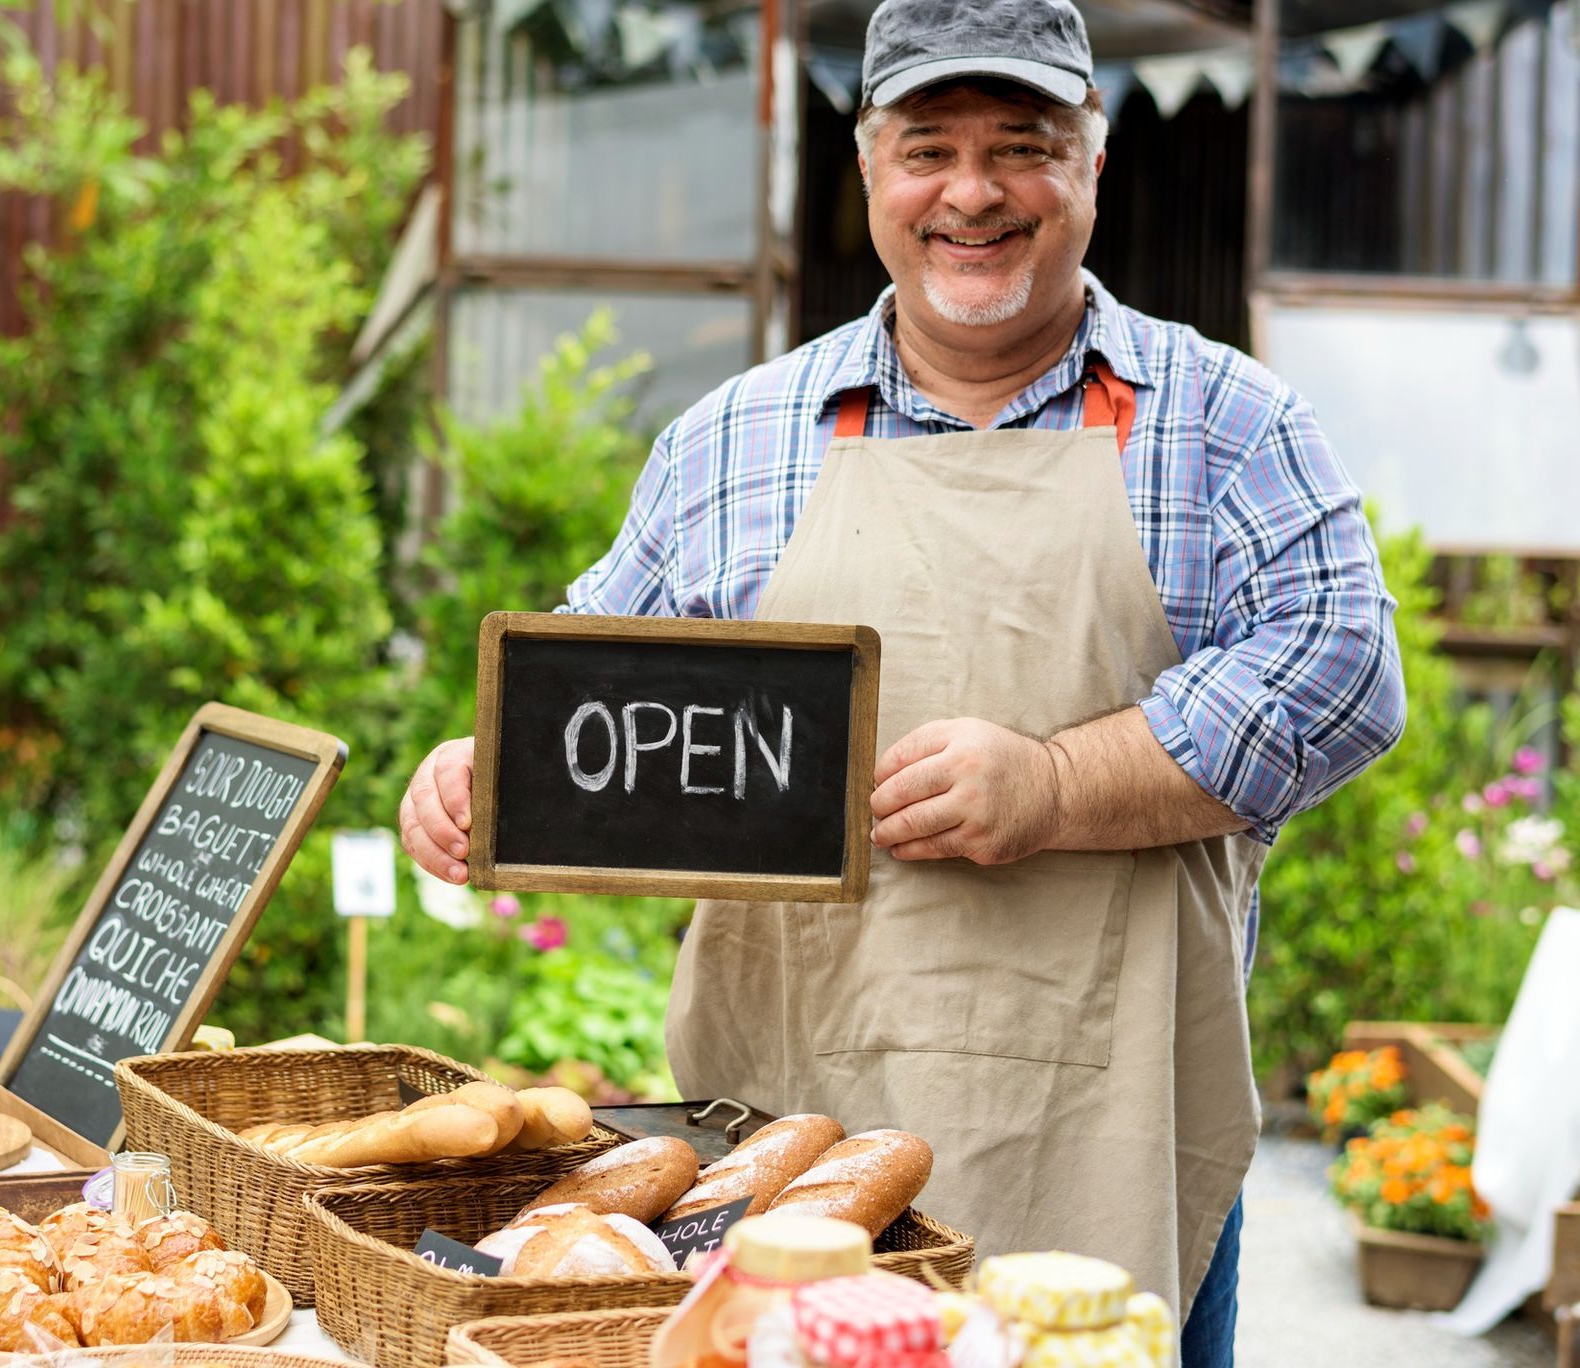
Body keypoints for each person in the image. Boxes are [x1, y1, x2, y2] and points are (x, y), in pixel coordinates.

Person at [399, 0, 1404, 1361]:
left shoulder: (1229, 423)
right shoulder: (735, 441)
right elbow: (582, 702)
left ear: (1095, 163)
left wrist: (1054, 785)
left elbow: (1345, 673)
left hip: (1117, 1152)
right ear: (869, 166)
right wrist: (480, 781)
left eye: (1024, 146)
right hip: (779, 1164)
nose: (973, 192)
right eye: (929, 146)